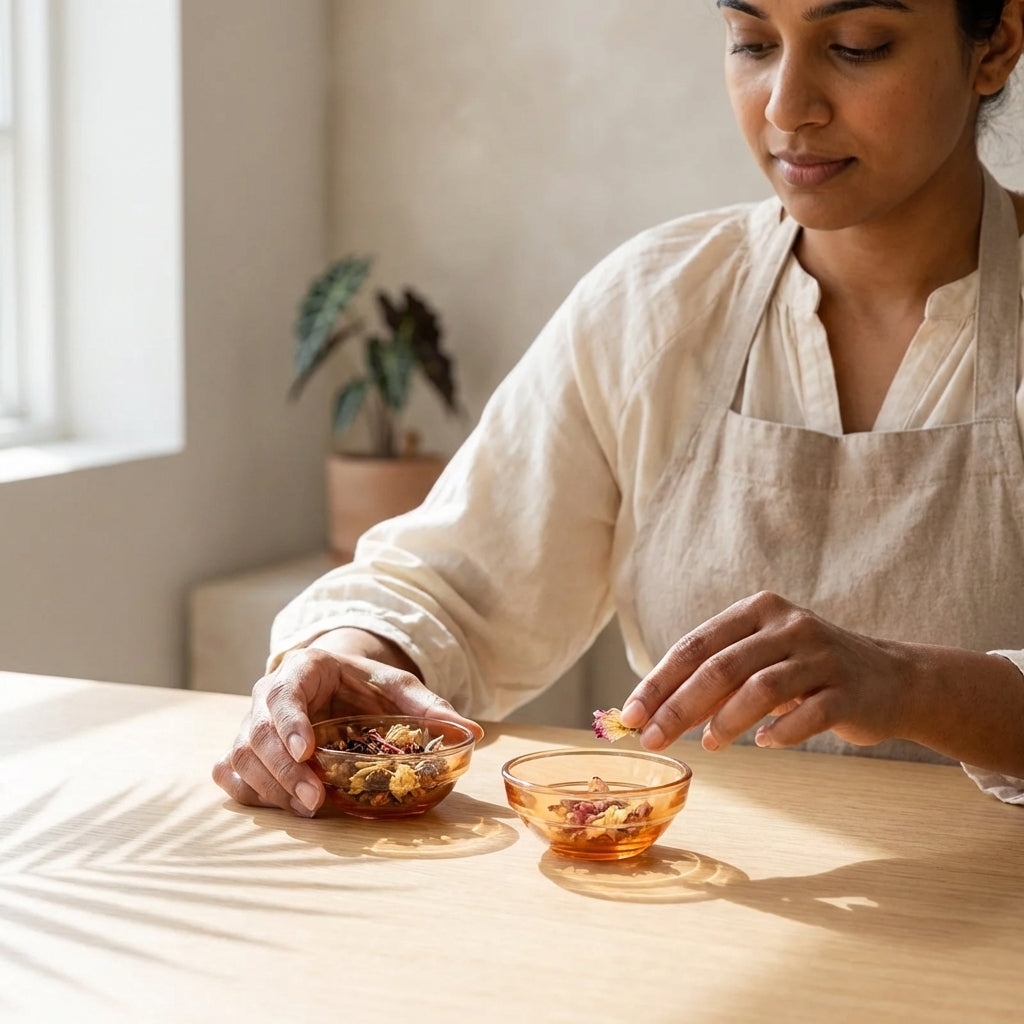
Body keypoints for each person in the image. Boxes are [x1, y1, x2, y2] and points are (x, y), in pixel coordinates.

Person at [214, 0, 1024, 818]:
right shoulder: (657, 305)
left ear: (996, 46)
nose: (785, 107)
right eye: (752, 43)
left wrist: (914, 685)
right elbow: (451, 587)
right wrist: (348, 659)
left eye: (856, 47)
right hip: (700, 904)